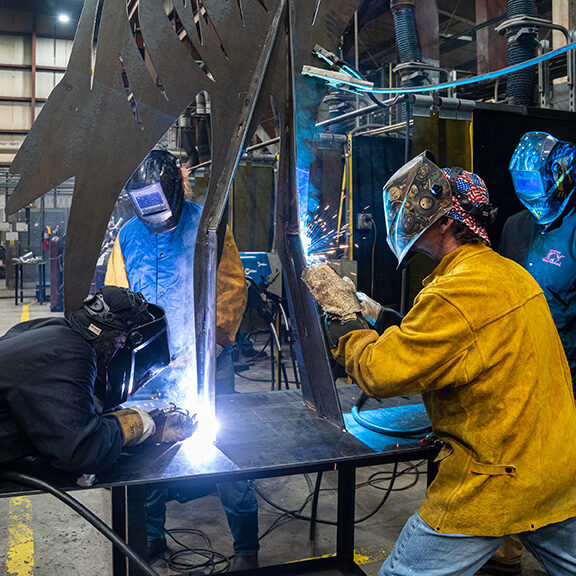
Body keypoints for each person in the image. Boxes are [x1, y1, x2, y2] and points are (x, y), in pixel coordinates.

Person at [304, 151, 576, 576]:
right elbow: (455, 343)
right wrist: (377, 315)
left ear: (447, 220)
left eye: (415, 212)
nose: (405, 218)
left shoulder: (456, 291)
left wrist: (345, 323)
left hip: (494, 475)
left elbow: (381, 372)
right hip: (554, 467)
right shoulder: (507, 273)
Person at [104, 150, 259, 569]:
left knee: (222, 450)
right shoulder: (127, 236)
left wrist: (215, 349)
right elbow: (116, 296)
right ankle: (151, 535)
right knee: (147, 450)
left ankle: (246, 548)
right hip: (150, 370)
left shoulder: (208, 227)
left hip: (206, 362)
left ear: (175, 189)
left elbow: (231, 290)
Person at [477, 132, 576, 576]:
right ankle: (505, 554)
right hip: (518, 373)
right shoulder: (516, 226)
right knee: (512, 463)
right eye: (527, 193)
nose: (535, 202)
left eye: (541, 192)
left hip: (570, 375)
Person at [0, 285, 196, 476]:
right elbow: (81, 452)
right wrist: (135, 425)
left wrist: (149, 428)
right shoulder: (72, 354)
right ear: (121, 343)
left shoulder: (48, 330)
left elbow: (65, 412)